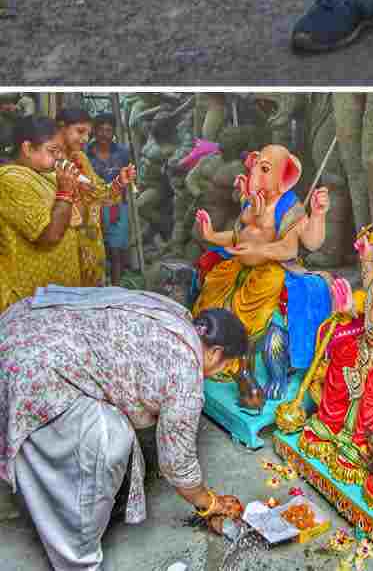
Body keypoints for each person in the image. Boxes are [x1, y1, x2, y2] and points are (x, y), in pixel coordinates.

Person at [0, 288, 248, 567]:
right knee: (106, 442)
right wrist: (209, 503)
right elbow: (178, 465)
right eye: (225, 365)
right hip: (31, 368)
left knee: (112, 432)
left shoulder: (174, 314)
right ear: (215, 352)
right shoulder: (185, 377)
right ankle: (77, 558)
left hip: (21, 322)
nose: (219, 373)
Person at [0, 116, 82, 313]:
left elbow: (78, 220)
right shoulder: (9, 180)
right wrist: (65, 192)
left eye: (61, 152)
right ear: (27, 148)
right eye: (53, 151)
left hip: (53, 293)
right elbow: (48, 236)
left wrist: (72, 191)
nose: (59, 158)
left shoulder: (45, 176)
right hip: (27, 297)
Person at [56, 106, 136, 287]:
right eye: (80, 131)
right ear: (61, 127)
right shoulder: (49, 161)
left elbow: (98, 192)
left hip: (89, 243)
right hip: (62, 246)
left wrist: (119, 182)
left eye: (87, 133)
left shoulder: (80, 159)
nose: (85, 138)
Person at [85, 114, 132, 286]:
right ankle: (97, 285)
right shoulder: (85, 154)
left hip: (116, 205)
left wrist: (122, 205)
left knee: (116, 248)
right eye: (101, 130)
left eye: (109, 130)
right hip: (92, 205)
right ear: (94, 132)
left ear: (113, 132)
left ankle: (116, 287)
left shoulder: (122, 153)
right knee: (95, 248)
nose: (105, 134)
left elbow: (128, 177)